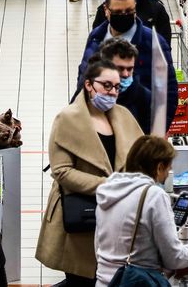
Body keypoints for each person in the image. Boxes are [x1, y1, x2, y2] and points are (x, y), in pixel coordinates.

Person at [36, 60, 143, 287]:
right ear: (88, 85)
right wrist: (109, 185)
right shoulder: (68, 119)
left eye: (117, 87)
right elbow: (62, 172)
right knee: (83, 280)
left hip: (119, 222)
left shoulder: (123, 116)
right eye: (106, 85)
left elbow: (141, 157)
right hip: (84, 219)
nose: (112, 92)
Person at [94, 136, 188, 285]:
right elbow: (174, 258)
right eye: (168, 169)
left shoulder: (107, 192)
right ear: (159, 167)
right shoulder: (154, 195)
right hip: (135, 282)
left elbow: (99, 249)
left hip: (104, 282)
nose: (166, 175)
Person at [79, 0, 178, 135]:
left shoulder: (152, 43)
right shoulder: (96, 38)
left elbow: (168, 93)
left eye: (129, 11)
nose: (124, 15)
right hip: (99, 129)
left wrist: (157, 133)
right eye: (118, 12)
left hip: (138, 131)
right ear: (106, 10)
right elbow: (82, 80)